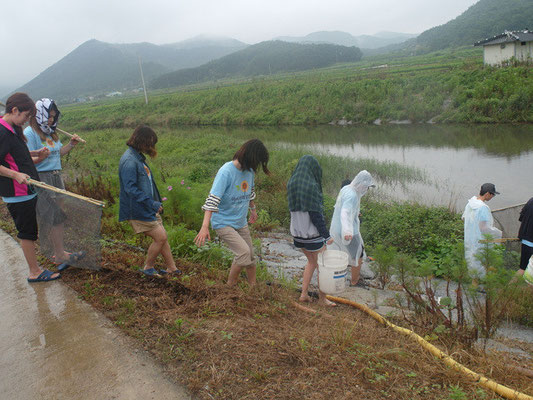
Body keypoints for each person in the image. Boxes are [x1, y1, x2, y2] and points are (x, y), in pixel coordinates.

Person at [0, 92, 60, 282]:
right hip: (17, 192)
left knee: (45, 221)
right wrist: (15, 175)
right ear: (14, 110)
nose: (27, 120)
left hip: (29, 189)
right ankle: (34, 272)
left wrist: (36, 153)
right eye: (26, 116)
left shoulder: (12, 128)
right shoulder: (2, 132)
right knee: (27, 232)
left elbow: (17, 156)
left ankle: (54, 257)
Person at [194, 139, 270, 286]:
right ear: (250, 158)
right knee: (243, 253)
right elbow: (212, 200)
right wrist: (204, 227)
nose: (256, 167)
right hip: (223, 222)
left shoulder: (249, 171)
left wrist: (253, 210)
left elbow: (250, 192)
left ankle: (253, 287)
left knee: (250, 256)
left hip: (240, 221)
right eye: (256, 162)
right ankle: (230, 286)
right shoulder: (226, 172)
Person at [24, 98, 84, 265]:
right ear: (39, 114)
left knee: (59, 216)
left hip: (57, 176)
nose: (51, 119)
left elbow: (58, 153)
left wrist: (71, 144)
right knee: (53, 217)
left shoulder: (51, 132)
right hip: (43, 177)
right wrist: (41, 157)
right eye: (48, 116)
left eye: (53, 116)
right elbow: (27, 158)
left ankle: (59, 252)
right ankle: (58, 253)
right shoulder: (30, 133)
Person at [118, 125, 180, 276]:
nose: (151, 147)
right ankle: (148, 268)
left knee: (162, 237)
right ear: (142, 141)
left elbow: (146, 185)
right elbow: (130, 189)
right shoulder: (130, 161)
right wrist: (151, 203)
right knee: (160, 237)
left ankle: (172, 268)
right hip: (138, 208)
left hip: (148, 206)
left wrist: (154, 203)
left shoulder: (137, 157)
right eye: (150, 144)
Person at [287, 155, 335, 306]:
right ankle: (322, 299)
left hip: (298, 234)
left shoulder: (292, 183)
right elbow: (315, 214)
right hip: (312, 234)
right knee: (323, 266)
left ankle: (303, 294)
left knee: (311, 262)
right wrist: (327, 236)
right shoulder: (311, 186)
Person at [330, 170, 375, 288]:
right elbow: (345, 212)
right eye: (366, 186)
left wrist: (355, 213)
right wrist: (347, 231)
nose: (366, 189)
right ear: (361, 183)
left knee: (347, 252)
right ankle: (355, 281)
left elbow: (343, 207)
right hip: (347, 230)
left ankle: (340, 276)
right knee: (358, 254)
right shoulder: (352, 195)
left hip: (338, 227)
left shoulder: (346, 189)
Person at [462, 183, 502, 276]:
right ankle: (482, 282)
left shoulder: (470, 204)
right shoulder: (483, 207)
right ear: (487, 194)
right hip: (479, 241)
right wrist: (497, 233)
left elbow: (464, 218)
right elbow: (483, 227)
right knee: (481, 262)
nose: (492, 197)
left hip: (469, 238)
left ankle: (474, 282)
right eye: (492, 195)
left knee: (472, 261)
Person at [518, 197, 533, 277]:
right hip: (531, 240)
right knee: (524, 269)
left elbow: (521, 218)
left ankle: (511, 285)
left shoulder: (531, 200)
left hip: (525, 239)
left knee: (523, 268)